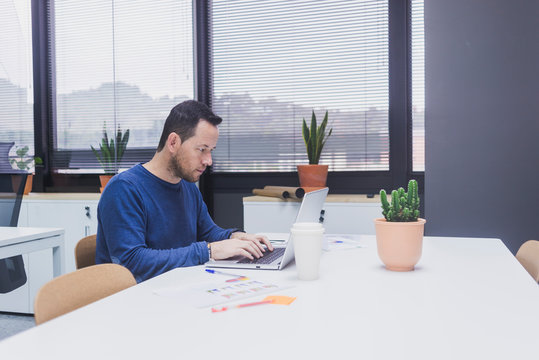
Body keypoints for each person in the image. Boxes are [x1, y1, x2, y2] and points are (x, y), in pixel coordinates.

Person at [95, 100, 273, 282]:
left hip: (177, 288)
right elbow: (131, 262)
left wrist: (237, 238)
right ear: (173, 142)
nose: (209, 161)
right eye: (202, 149)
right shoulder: (124, 189)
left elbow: (208, 232)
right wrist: (210, 251)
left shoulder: (187, 186)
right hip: (133, 299)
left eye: (211, 150)